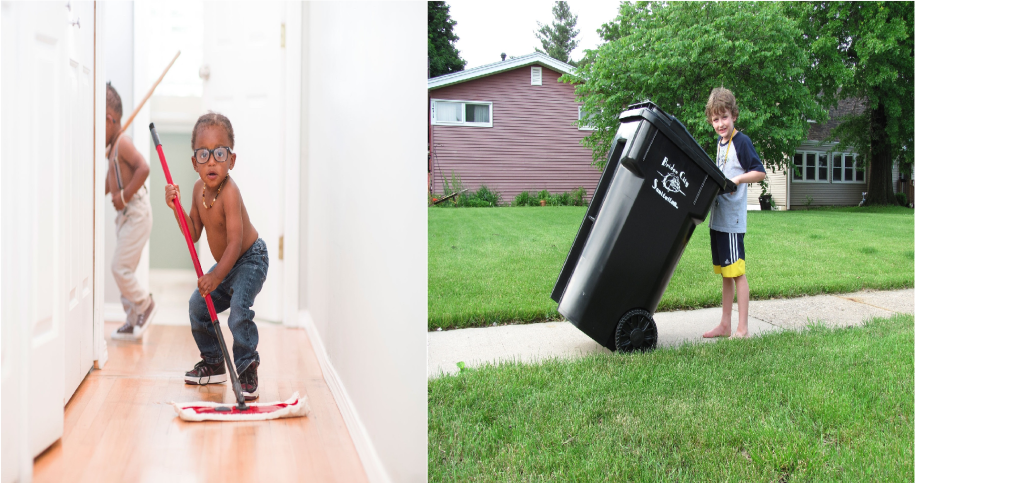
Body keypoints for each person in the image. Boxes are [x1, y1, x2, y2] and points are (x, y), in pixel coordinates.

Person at [164, 112, 268, 400]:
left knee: (238, 313)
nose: (211, 161)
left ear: (231, 160)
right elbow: (193, 233)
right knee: (198, 306)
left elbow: (235, 244)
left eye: (220, 153)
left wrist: (215, 276)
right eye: (203, 154)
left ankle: (247, 368)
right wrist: (176, 208)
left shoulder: (230, 193)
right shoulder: (198, 191)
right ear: (194, 162)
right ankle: (213, 363)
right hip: (227, 266)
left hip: (249, 259)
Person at [701, 87, 766, 339]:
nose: (720, 123)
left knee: (737, 272)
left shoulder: (741, 141)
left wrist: (738, 179)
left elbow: (759, 172)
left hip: (732, 222)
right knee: (725, 275)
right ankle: (725, 324)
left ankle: (743, 328)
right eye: (715, 119)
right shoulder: (720, 142)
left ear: (734, 115)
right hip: (718, 219)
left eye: (724, 117)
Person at [106, 82, 157, 340]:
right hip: (125, 216)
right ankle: (132, 316)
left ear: (108, 119)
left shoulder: (122, 142)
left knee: (119, 267)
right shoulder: (112, 148)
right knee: (125, 266)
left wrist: (124, 197)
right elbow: (109, 181)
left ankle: (145, 304)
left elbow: (144, 168)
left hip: (136, 211)